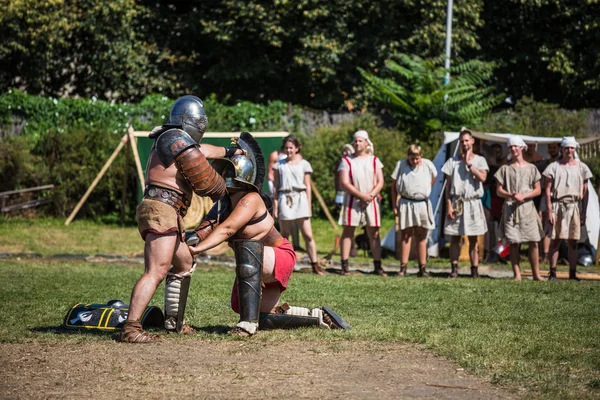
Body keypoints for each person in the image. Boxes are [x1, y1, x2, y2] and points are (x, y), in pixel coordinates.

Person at [188, 135, 350, 336]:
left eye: (230, 170)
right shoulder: (224, 202)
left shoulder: (251, 199)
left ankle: (247, 326)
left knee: (248, 247)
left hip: (278, 256)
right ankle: (316, 316)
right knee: (253, 312)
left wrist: (197, 250)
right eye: (225, 170)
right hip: (258, 262)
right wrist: (188, 243)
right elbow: (204, 230)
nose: (226, 174)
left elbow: (227, 229)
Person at [116, 95, 243, 343]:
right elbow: (206, 179)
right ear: (189, 121)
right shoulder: (172, 137)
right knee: (156, 270)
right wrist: (223, 187)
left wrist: (232, 151)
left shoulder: (174, 139)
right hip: (161, 210)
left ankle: (174, 323)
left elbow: (202, 151)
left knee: (184, 263)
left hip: (167, 211)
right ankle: (131, 329)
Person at [543, 136, 593, 280]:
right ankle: (552, 273)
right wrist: (549, 211)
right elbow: (547, 190)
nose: (569, 150)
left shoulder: (582, 167)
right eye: (566, 148)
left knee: (573, 241)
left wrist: (583, 212)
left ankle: (572, 273)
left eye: (571, 148)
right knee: (556, 240)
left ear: (574, 149)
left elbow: (585, 192)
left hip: (574, 207)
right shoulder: (553, 167)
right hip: (557, 205)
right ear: (562, 149)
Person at [494, 136, 544, 280]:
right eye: (510, 147)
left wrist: (524, 196)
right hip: (511, 209)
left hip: (527, 209)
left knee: (533, 241)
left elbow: (538, 190)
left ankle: (536, 274)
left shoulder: (531, 168)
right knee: (514, 242)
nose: (513, 149)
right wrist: (511, 194)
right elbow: (498, 190)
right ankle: (517, 274)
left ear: (522, 147)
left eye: (516, 146)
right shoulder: (505, 169)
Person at [272, 136, 322, 275]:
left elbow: (307, 186)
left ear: (297, 148)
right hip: (284, 198)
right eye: (286, 147)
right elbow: (276, 187)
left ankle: (315, 264)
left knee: (308, 234)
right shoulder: (279, 165)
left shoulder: (304, 164)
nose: (289, 150)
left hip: (300, 199)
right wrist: (275, 206)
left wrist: (309, 206)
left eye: (291, 147)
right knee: (285, 236)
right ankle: (284, 265)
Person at [337, 130, 386, 276]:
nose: (357, 143)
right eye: (355, 141)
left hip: (371, 200)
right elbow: (344, 182)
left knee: (374, 233)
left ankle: (378, 266)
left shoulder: (374, 160)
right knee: (348, 232)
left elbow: (380, 181)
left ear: (366, 143)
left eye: (360, 141)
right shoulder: (347, 161)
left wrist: (369, 196)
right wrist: (360, 196)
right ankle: (344, 265)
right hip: (353, 200)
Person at [442, 127, 489, 278]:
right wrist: (448, 204)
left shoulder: (480, 160)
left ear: (472, 141)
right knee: (455, 238)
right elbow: (448, 186)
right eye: (462, 141)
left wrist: (469, 164)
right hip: (457, 203)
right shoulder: (452, 161)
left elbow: (483, 178)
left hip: (473, 202)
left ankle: (474, 270)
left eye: (467, 140)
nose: (465, 144)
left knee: (473, 239)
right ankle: (454, 269)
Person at [391, 144, 437, 277]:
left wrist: (426, 189)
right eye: (412, 159)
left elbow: (434, 177)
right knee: (405, 236)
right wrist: (395, 205)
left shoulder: (427, 164)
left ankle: (422, 268)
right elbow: (393, 187)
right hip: (406, 202)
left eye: (417, 159)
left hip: (422, 203)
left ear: (421, 156)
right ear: (408, 157)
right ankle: (403, 267)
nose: (415, 161)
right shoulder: (401, 165)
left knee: (421, 236)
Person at [537, 142, 561, 263]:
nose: (552, 150)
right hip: (545, 196)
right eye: (550, 148)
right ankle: (544, 254)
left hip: (558, 197)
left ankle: (554, 254)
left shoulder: (562, 163)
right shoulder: (544, 163)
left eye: (554, 148)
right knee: (544, 224)